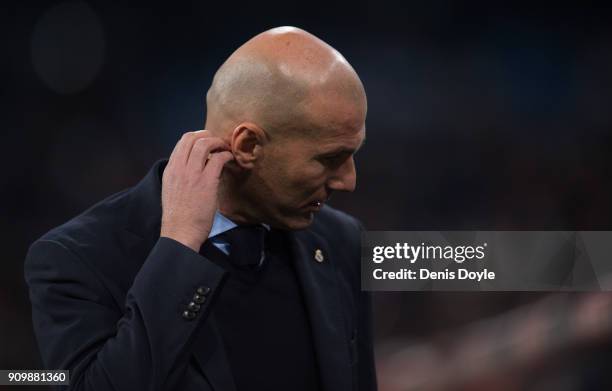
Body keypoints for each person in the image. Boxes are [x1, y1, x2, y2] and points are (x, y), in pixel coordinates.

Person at [25, 26, 376, 391]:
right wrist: (178, 248)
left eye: (353, 154)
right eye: (330, 158)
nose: (348, 181)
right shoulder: (73, 259)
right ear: (248, 145)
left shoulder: (343, 240)